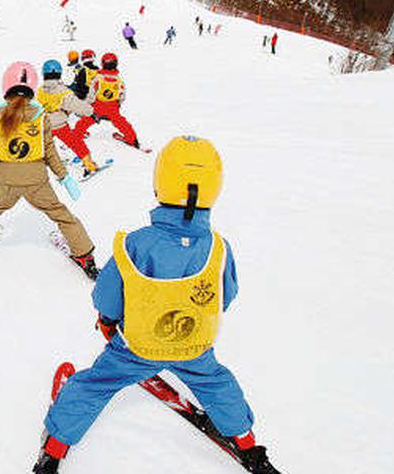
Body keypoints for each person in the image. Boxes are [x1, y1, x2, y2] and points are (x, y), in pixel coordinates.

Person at [32, 136, 281, 474]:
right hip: (193, 345)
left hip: (136, 347)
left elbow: (106, 296)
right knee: (217, 384)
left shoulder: (136, 244)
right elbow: (227, 295)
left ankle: (55, 449)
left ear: (160, 183)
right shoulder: (218, 247)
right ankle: (247, 445)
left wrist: (108, 320)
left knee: (94, 384)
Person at [0, 62, 99, 279]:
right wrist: (64, 177)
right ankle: (84, 256)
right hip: (37, 181)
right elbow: (50, 152)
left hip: (7, 181)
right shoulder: (41, 117)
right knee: (61, 215)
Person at [37, 59, 101, 178]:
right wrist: (91, 112)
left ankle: (36, 167)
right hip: (60, 125)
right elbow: (76, 105)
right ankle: (89, 164)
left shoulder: (39, 91)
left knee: (40, 145)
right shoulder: (63, 92)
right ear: (59, 73)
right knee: (76, 143)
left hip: (44, 125)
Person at [71, 53, 140, 149]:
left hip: (97, 106)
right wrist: (118, 104)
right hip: (113, 108)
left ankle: (76, 134)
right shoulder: (119, 80)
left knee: (85, 121)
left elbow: (91, 94)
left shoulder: (98, 78)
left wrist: (88, 104)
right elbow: (122, 96)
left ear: (102, 64)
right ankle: (132, 139)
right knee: (121, 123)